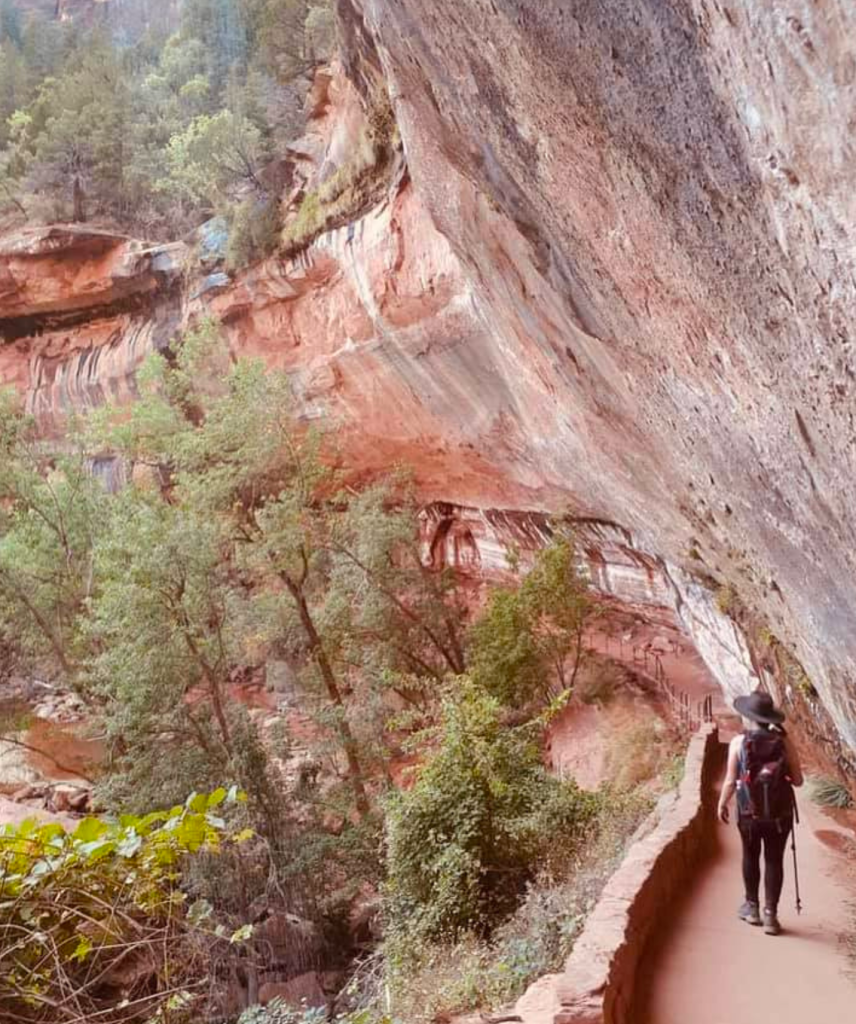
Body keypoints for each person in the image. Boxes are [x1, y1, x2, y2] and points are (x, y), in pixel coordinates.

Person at [717, 689, 803, 935]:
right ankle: (771, 916)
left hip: (749, 813)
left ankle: (752, 908)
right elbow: (798, 781)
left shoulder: (738, 743)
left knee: (750, 855)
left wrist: (722, 803)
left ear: (749, 716)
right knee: (774, 860)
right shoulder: (784, 743)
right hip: (779, 815)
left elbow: (730, 781)